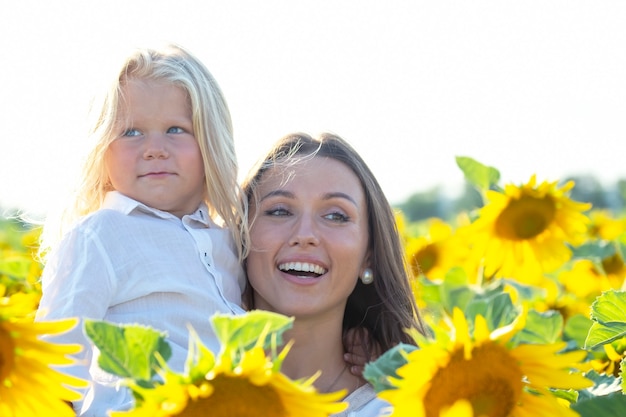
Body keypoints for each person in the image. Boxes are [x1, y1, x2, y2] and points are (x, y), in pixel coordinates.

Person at [35, 43, 249, 416]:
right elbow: (53, 370)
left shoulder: (229, 241)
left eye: (175, 130)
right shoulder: (100, 236)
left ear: (210, 143)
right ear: (102, 147)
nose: (154, 149)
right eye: (131, 132)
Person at [242, 132, 426, 416]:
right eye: (279, 211)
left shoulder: (411, 405)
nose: (304, 235)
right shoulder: (181, 386)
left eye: (335, 216)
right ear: (241, 234)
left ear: (370, 255)